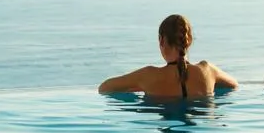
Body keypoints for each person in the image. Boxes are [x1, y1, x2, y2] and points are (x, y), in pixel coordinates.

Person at [98, 14, 239, 98]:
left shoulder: (148, 76)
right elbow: (234, 86)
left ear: (162, 40)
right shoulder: (207, 70)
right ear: (188, 40)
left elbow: (104, 88)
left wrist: (138, 86)